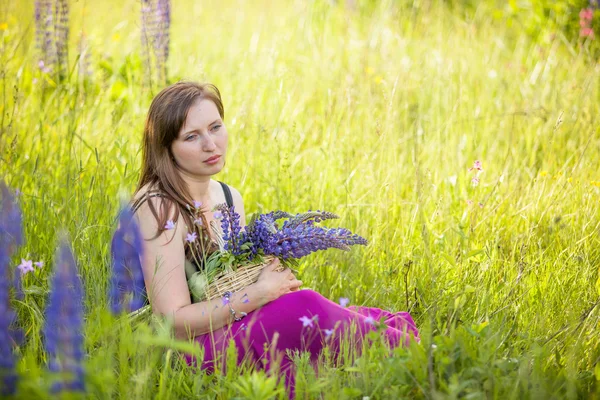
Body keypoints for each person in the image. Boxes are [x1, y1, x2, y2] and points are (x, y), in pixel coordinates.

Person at [130, 81, 419, 397]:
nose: (211, 144)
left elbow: (230, 282)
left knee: (334, 315)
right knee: (304, 307)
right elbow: (171, 322)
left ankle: (399, 355)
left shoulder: (228, 197)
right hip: (187, 348)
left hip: (229, 325)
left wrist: (266, 275)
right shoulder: (160, 206)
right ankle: (419, 359)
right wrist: (260, 292)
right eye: (192, 137)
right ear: (165, 147)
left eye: (215, 127)